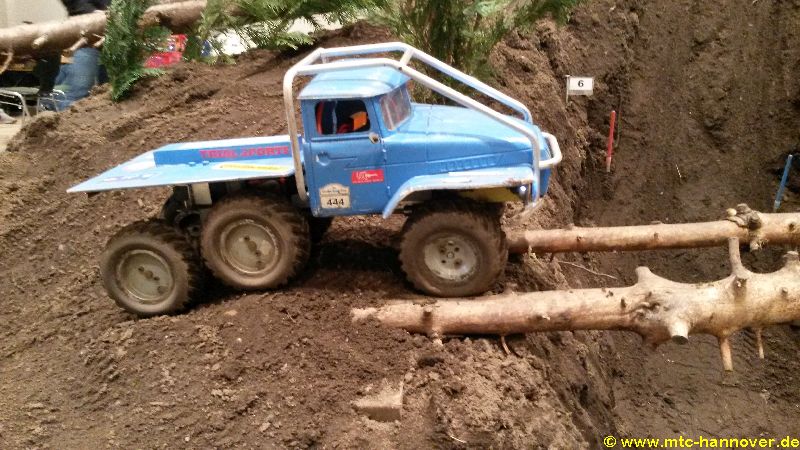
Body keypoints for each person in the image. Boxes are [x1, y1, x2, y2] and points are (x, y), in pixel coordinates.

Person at [38, 0, 109, 110]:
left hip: (114, 38)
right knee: (78, 93)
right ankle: (54, 111)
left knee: (109, 94)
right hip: (85, 33)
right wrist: (91, 12)